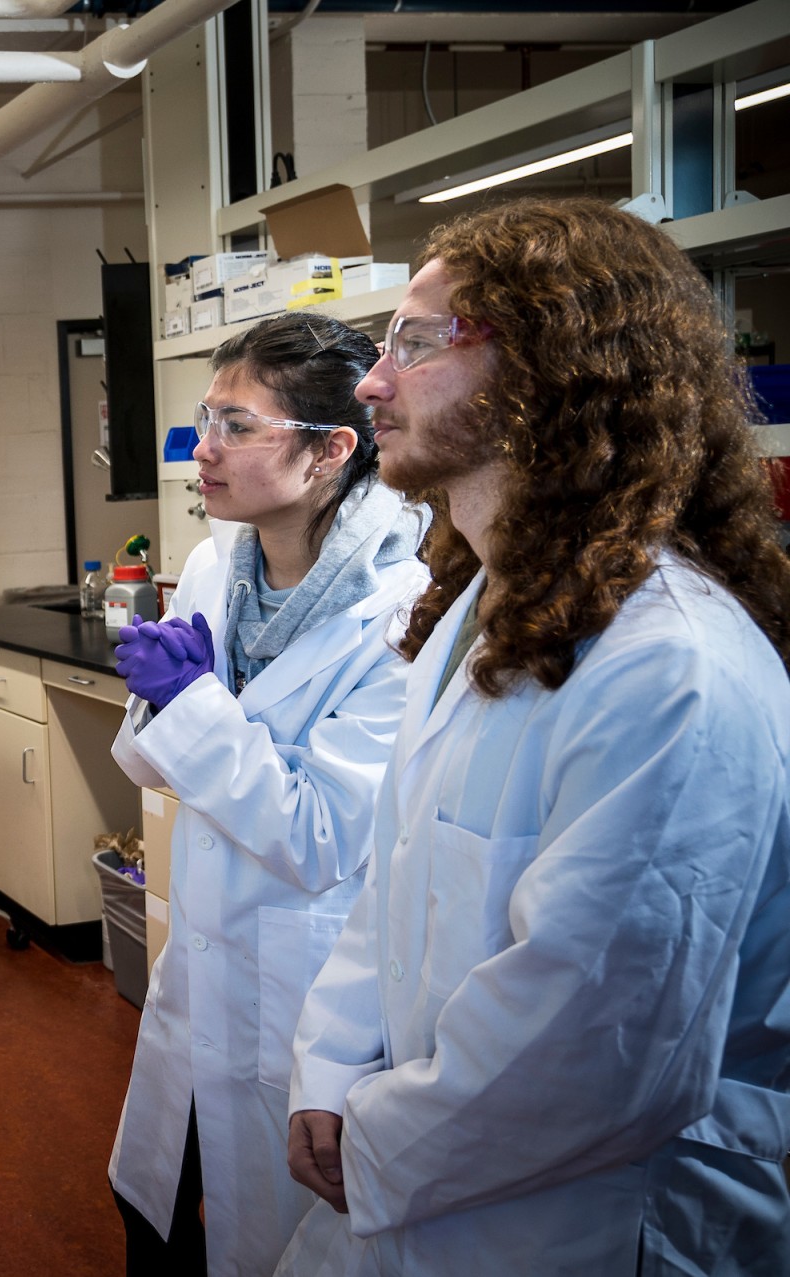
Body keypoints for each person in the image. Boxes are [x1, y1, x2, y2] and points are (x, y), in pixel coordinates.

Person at [280, 197, 790, 1275]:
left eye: (417, 344)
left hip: (591, 1220)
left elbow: (593, 1046)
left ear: (557, 366)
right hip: (431, 1172)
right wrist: (327, 1073)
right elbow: (394, 886)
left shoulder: (670, 669)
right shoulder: (480, 611)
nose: (373, 382)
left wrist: (374, 1136)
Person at [106, 311, 430, 1276]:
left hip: (302, 988)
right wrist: (169, 707)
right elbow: (146, 765)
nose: (202, 449)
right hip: (197, 977)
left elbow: (321, 835)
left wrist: (198, 707)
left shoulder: (405, 609)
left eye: (237, 425)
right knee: (151, 1219)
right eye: (207, 418)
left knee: (266, 1243)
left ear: (331, 450)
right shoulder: (214, 564)